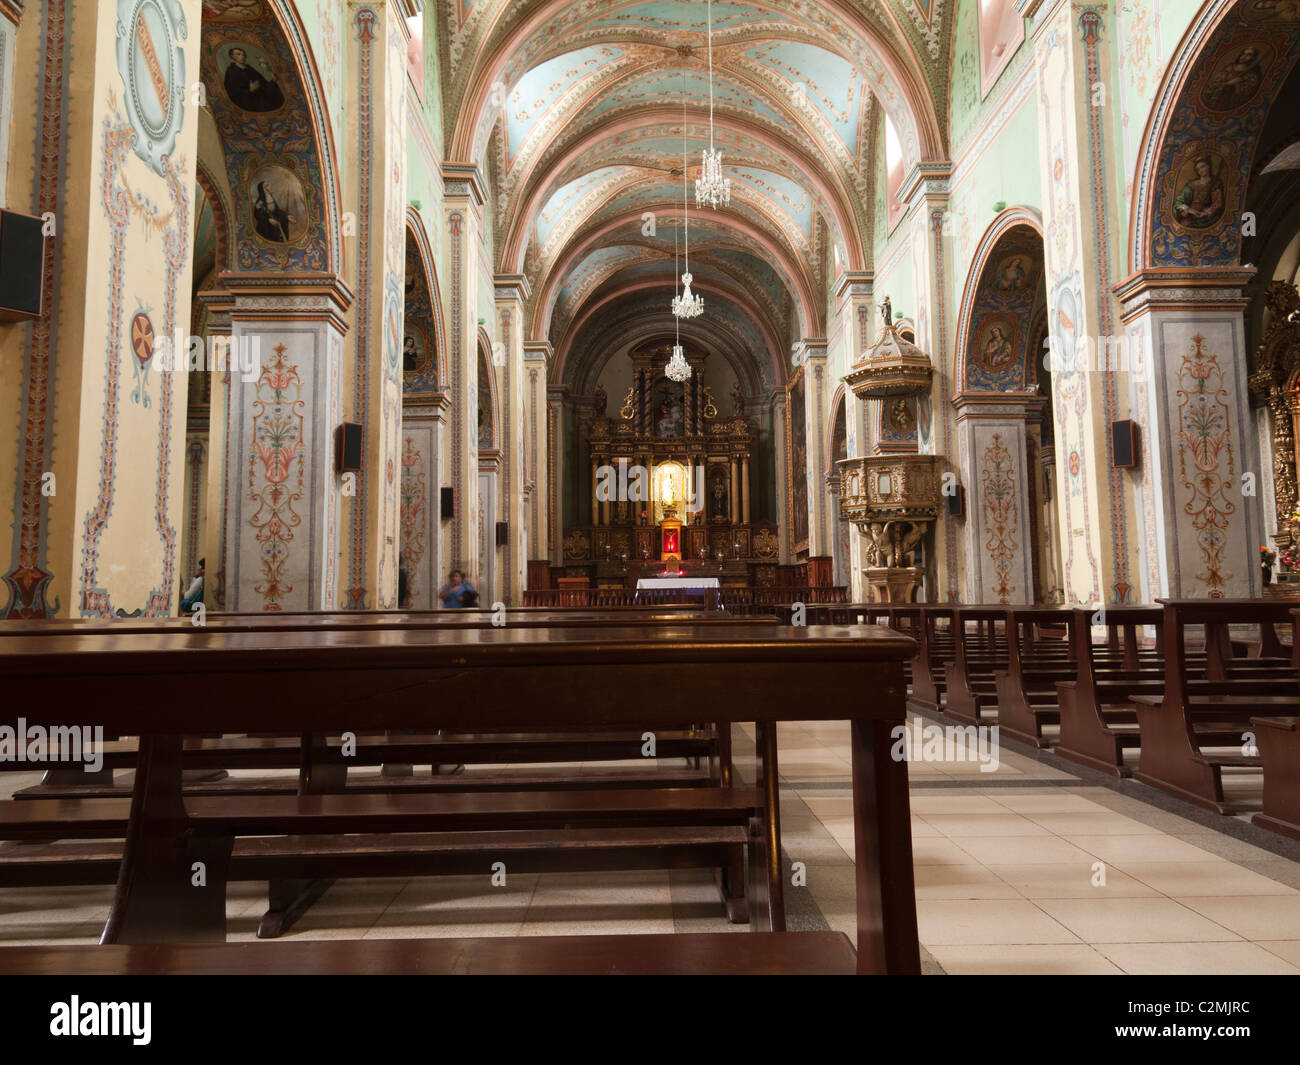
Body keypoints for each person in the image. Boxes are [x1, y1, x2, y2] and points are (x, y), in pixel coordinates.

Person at [224, 47, 284, 112]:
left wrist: (272, 81)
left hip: (261, 99)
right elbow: (232, 92)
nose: (242, 56)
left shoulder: (249, 68)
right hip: (249, 104)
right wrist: (249, 90)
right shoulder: (231, 72)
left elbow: (262, 83)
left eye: (243, 55)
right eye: (238, 54)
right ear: (232, 56)